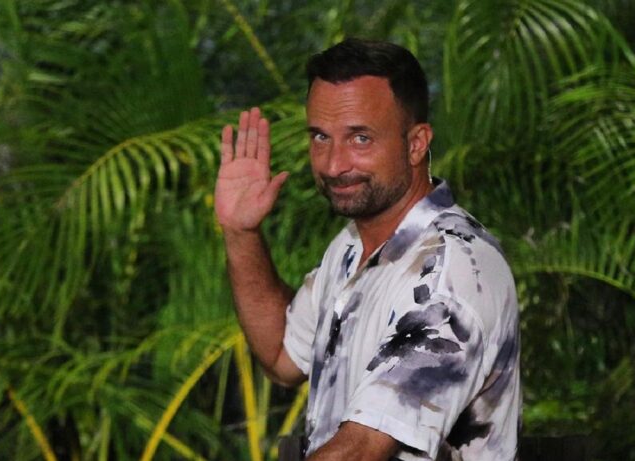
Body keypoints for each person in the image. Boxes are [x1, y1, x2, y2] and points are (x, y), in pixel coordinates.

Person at [214, 38, 520, 461]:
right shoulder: (350, 246)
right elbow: (282, 357)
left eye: (360, 138)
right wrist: (241, 232)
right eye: (321, 137)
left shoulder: (453, 270)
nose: (334, 164)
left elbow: (359, 451)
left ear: (416, 143)